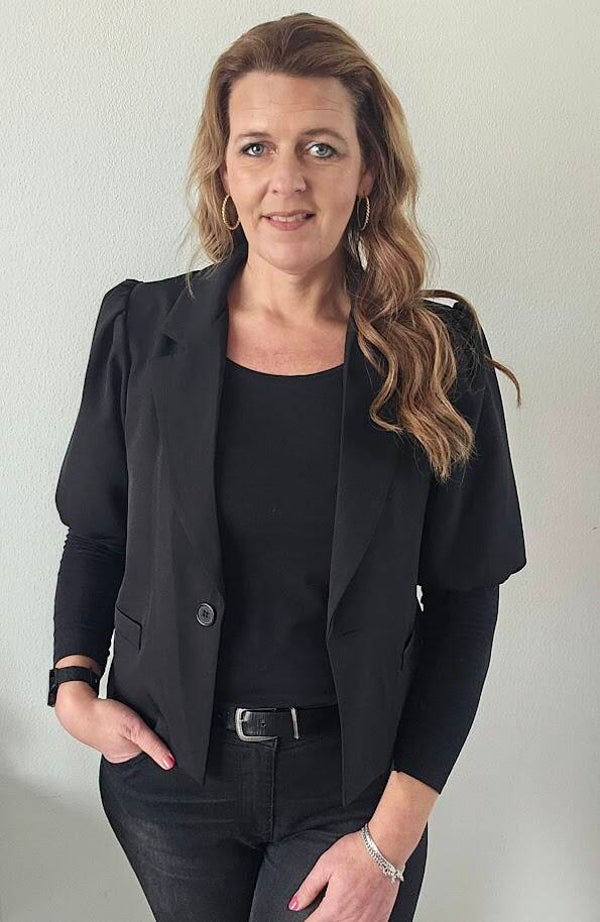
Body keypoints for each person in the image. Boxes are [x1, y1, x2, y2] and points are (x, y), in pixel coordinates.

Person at [47, 12, 527, 922]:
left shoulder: (437, 352)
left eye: (321, 147)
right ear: (224, 170)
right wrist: (72, 684)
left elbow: (466, 600)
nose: (287, 181)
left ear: (368, 169)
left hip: (354, 790)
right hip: (168, 781)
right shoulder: (141, 329)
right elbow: (97, 531)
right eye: (257, 147)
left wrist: (390, 841)